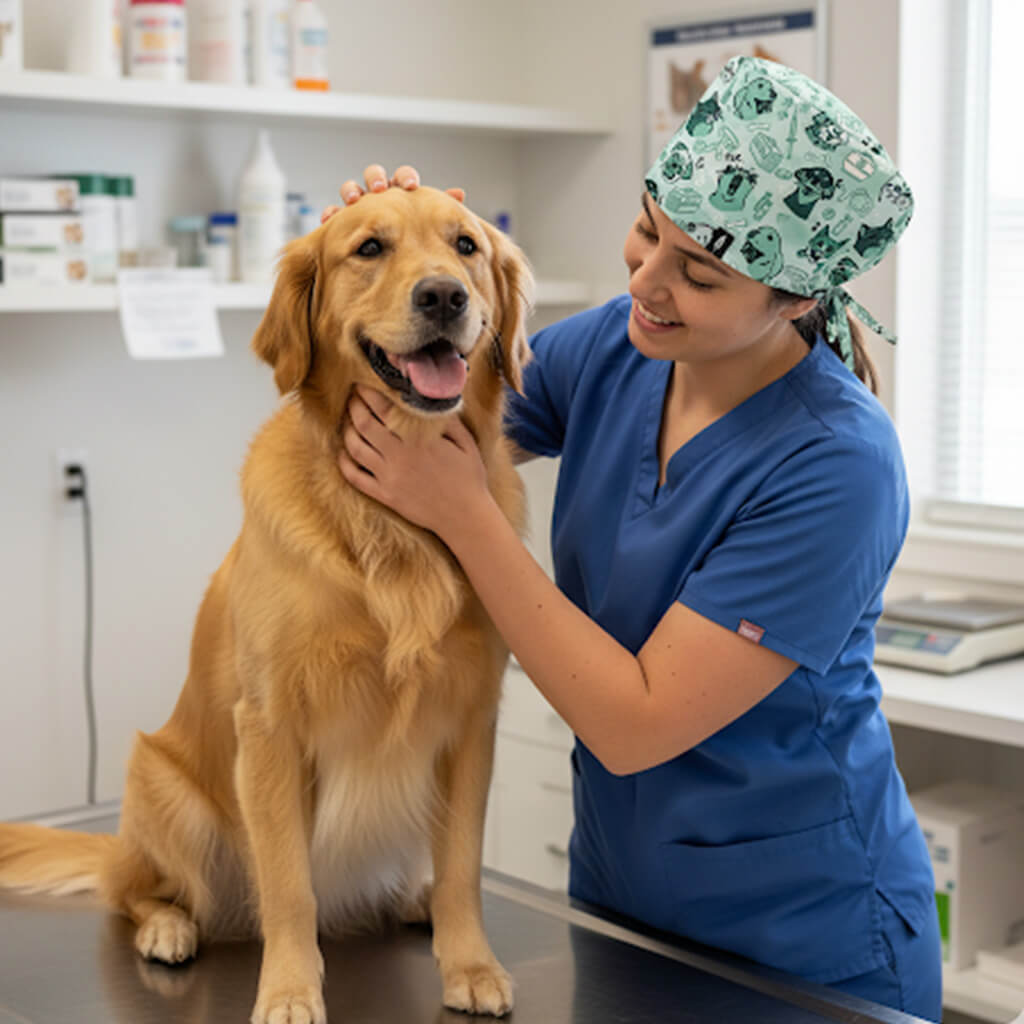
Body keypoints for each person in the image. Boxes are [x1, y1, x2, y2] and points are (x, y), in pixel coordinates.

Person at [331, 57, 942, 1021]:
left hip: (804, 944)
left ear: (793, 300)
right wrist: (402, 257)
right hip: (624, 899)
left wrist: (463, 512)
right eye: (649, 229)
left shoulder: (838, 465)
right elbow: (408, 417)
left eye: (697, 273)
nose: (647, 283)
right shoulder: (622, 346)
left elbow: (634, 724)